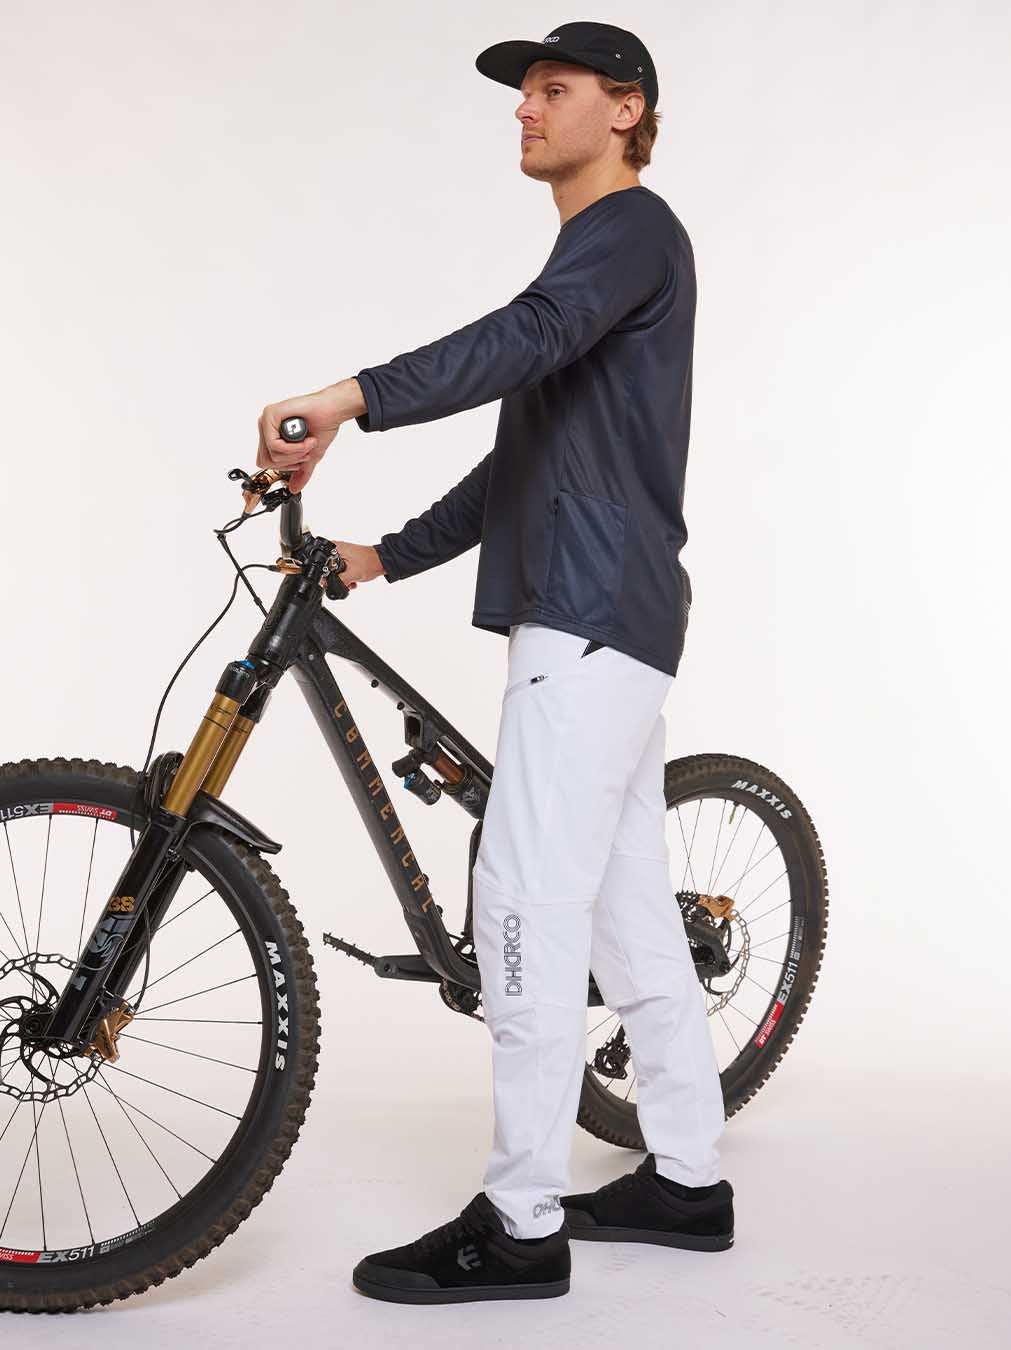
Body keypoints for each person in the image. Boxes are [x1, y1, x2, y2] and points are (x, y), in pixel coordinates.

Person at [252, 20, 733, 1306]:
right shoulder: (595, 263)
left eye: (552, 89)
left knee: (522, 901)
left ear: (624, 109)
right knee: (631, 915)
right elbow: (528, 454)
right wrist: (384, 558)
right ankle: (688, 1181)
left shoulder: (628, 233)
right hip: (609, 618)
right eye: (523, 93)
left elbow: (522, 340)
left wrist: (350, 396)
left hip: (587, 617)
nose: (525, 109)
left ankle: (521, 1224)